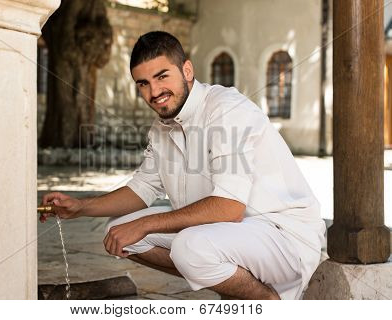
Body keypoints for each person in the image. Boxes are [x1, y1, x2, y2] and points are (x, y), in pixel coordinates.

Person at [40, 31, 326, 300]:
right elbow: (141, 189)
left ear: (187, 71)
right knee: (118, 230)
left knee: (189, 246)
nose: (154, 91)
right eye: (143, 83)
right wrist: (81, 207)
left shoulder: (226, 108)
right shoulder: (161, 128)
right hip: (230, 234)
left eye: (162, 76)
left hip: (282, 235)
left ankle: (267, 301)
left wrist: (147, 223)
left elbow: (229, 207)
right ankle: (233, 282)